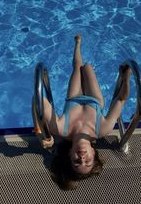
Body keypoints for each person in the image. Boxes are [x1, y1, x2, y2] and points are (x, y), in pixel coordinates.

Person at [33, 35, 132, 190]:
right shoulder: (102, 129)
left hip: (74, 97)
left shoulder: (60, 129)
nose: (82, 158)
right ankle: (82, 45)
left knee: (78, 66)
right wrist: (126, 78)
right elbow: (120, 101)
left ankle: (77, 43)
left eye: (76, 161)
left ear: (70, 154)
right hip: (94, 99)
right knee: (88, 68)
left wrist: (40, 132)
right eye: (88, 161)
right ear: (94, 153)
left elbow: (37, 100)